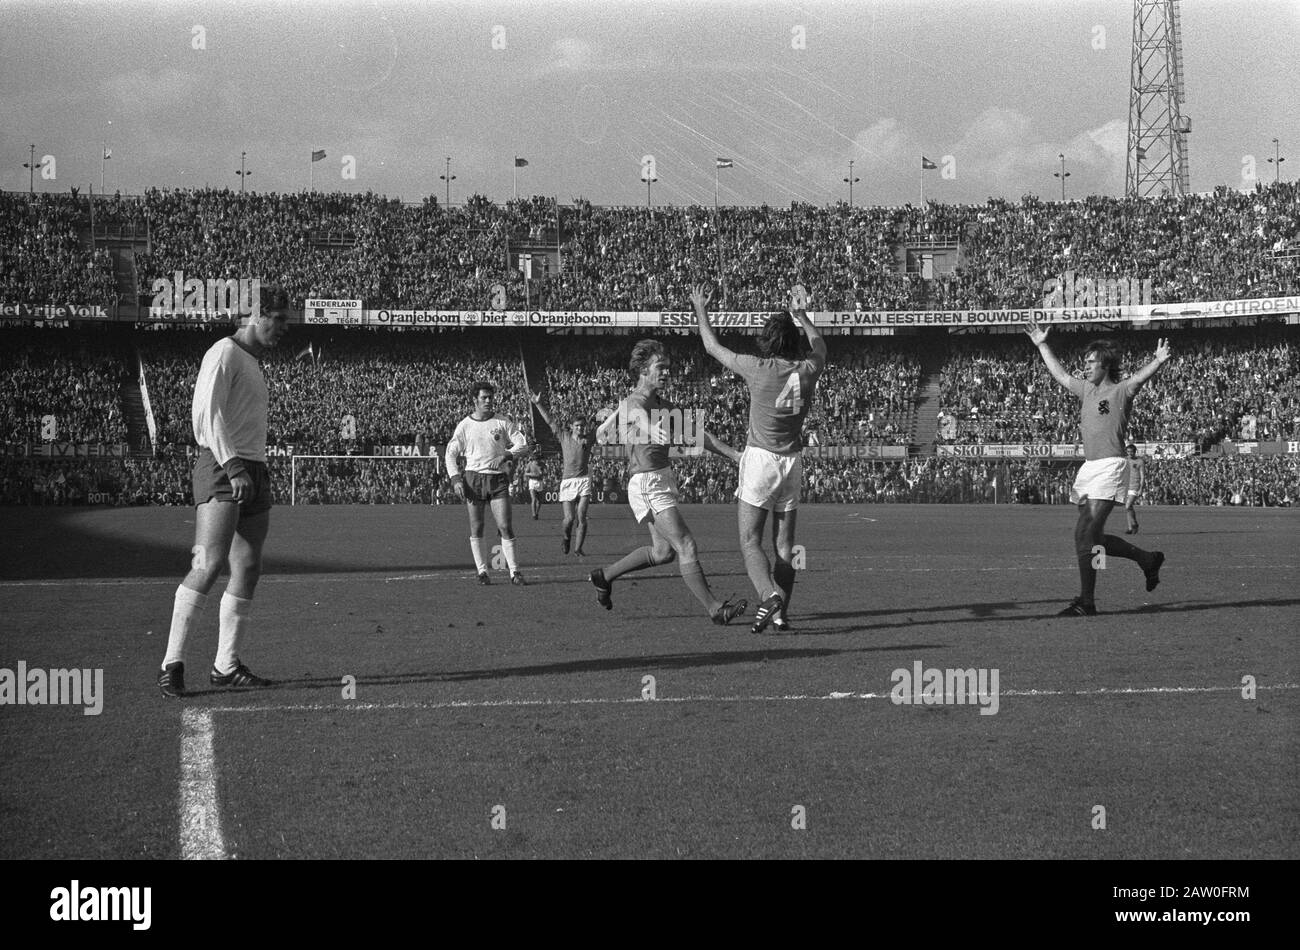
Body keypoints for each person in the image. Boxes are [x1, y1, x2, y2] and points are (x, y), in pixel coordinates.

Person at [158, 285, 290, 698]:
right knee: (209, 561)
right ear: (258, 314)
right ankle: (171, 663)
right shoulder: (224, 352)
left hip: (254, 467)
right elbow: (205, 414)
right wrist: (233, 465)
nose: (284, 329)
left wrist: (250, 467)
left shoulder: (251, 361)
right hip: (222, 465)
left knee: (248, 566)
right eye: (280, 319)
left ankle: (225, 665)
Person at [692, 282, 827, 634]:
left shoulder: (757, 368)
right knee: (784, 546)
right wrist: (803, 318)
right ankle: (781, 614)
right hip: (792, 462)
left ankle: (769, 596)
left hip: (760, 461)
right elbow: (820, 346)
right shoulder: (809, 370)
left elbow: (711, 346)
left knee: (749, 541)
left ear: (768, 339)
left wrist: (701, 308)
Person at [589, 339, 746, 625]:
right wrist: (650, 428)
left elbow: (697, 433)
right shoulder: (634, 400)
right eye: (660, 368)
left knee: (663, 553)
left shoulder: (664, 404)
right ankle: (715, 609)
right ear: (643, 370)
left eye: (668, 369)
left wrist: (734, 455)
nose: (666, 373)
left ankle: (604, 576)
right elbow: (635, 416)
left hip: (660, 478)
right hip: (647, 482)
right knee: (686, 544)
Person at [1024, 319, 1169, 615]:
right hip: (1089, 468)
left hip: (1109, 466)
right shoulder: (1086, 391)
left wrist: (1157, 361)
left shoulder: (1119, 391)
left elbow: (1138, 379)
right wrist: (1042, 344)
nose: (1086, 367)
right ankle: (1146, 558)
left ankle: (1087, 602)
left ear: (1105, 366)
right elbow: (1060, 374)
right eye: (1086, 362)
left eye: (1091, 362)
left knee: (1086, 533)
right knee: (1092, 538)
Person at [444, 381, 530, 585]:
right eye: (484, 397)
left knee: (505, 526)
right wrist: (456, 479)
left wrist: (507, 454)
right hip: (473, 479)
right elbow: (450, 454)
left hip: (497, 479)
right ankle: (482, 572)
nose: (489, 401)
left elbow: (523, 445)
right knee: (477, 527)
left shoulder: (502, 422)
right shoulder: (465, 425)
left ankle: (514, 572)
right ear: (475, 400)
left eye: (491, 397)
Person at [529, 391, 597, 556]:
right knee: (569, 519)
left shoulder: (588, 439)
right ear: (572, 426)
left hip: (584, 480)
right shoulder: (564, 436)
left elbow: (605, 425)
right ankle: (566, 537)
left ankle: (578, 548)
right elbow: (550, 421)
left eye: (582, 425)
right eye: (577, 425)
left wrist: (619, 412)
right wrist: (538, 404)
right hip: (568, 482)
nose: (580, 428)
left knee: (582, 516)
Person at [1123, 442, 1145, 534]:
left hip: (1135, 486)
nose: (1129, 453)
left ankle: (1134, 523)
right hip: (1126, 485)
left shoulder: (1140, 461)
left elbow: (1143, 476)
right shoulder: (1125, 460)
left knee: (1128, 505)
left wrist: (1141, 488)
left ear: (1135, 452)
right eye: (1128, 452)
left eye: (1131, 452)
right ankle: (1131, 528)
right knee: (1128, 507)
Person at [523, 453, 545, 519]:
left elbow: (545, 472)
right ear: (533, 460)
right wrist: (532, 474)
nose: (537, 461)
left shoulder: (542, 464)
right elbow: (525, 473)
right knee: (534, 499)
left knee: (540, 501)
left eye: (538, 460)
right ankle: (534, 514)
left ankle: (537, 513)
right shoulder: (530, 464)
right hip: (532, 482)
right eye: (536, 460)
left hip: (540, 482)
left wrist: (542, 472)